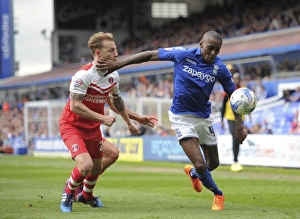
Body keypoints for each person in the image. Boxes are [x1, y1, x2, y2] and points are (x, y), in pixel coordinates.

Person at [97, 30, 247, 211]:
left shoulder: (220, 68)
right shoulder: (183, 54)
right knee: (200, 163)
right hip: (181, 117)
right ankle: (218, 194)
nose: (213, 53)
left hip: (203, 118)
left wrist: (239, 126)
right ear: (201, 44)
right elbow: (150, 55)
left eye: (217, 50)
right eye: (210, 48)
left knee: (213, 163)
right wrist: (118, 64)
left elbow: (234, 96)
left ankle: (193, 173)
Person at [59, 32, 157, 213]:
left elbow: (115, 102)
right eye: (111, 50)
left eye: (116, 49)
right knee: (86, 166)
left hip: (92, 128)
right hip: (72, 126)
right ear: (98, 53)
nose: (116, 54)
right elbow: (75, 106)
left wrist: (132, 120)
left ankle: (86, 195)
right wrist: (102, 118)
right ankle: (68, 192)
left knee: (102, 162)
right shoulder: (84, 75)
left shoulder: (114, 76)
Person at [220, 72, 245, 172]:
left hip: (240, 118)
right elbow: (223, 106)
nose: (237, 80)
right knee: (235, 137)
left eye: (238, 78)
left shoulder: (242, 90)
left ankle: (235, 160)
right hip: (230, 117)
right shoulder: (228, 91)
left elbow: (246, 103)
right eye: (235, 78)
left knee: (238, 138)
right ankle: (235, 161)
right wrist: (221, 119)